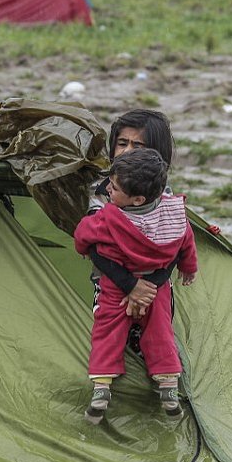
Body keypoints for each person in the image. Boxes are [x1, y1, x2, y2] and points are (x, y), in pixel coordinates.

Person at [74, 148, 197, 424]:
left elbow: (83, 233)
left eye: (114, 188)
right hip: (157, 286)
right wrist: (189, 268)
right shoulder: (173, 213)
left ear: (137, 199)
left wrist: (82, 246)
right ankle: (167, 386)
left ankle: (102, 388)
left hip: (116, 287)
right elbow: (186, 241)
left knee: (107, 329)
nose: (108, 190)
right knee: (160, 329)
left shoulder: (110, 218)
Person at [88, 110, 176, 320]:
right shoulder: (100, 191)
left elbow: (175, 244)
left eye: (137, 146)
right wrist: (131, 286)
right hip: (111, 287)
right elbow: (95, 245)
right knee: (109, 346)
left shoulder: (163, 196)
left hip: (155, 291)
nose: (128, 151)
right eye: (122, 143)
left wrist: (148, 288)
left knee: (157, 346)